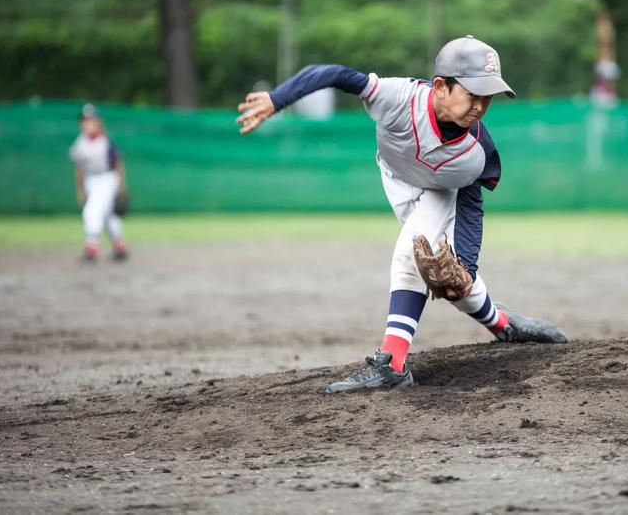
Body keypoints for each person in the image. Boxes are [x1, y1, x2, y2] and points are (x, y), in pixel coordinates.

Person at [236, 35, 568, 393]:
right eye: (473, 94)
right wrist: (277, 98)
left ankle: (392, 365)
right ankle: (504, 325)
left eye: (488, 98)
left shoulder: (476, 151)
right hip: (396, 176)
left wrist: (468, 268)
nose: (480, 106)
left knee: (416, 253)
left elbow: (471, 203)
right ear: (441, 86)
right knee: (444, 278)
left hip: (441, 189)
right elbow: (333, 74)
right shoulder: (397, 98)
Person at [69, 104, 129, 262]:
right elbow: (79, 170)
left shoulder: (106, 141)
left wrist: (122, 187)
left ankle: (91, 248)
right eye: (85, 120)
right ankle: (120, 246)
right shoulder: (79, 144)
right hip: (91, 181)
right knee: (108, 216)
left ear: (98, 122)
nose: (88, 123)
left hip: (107, 179)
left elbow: (118, 165)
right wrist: (80, 190)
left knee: (92, 211)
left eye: (91, 120)